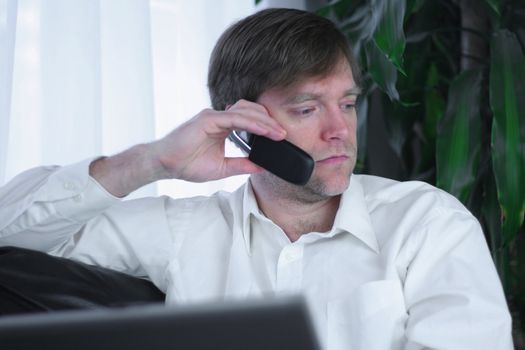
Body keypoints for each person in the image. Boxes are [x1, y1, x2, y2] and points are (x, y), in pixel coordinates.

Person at [0, 8, 513, 350]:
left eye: (348, 104)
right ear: (243, 125)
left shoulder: (426, 223)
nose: (340, 131)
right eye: (307, 108)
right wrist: (153, 161)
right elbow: (11, 235)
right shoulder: (184, 231)